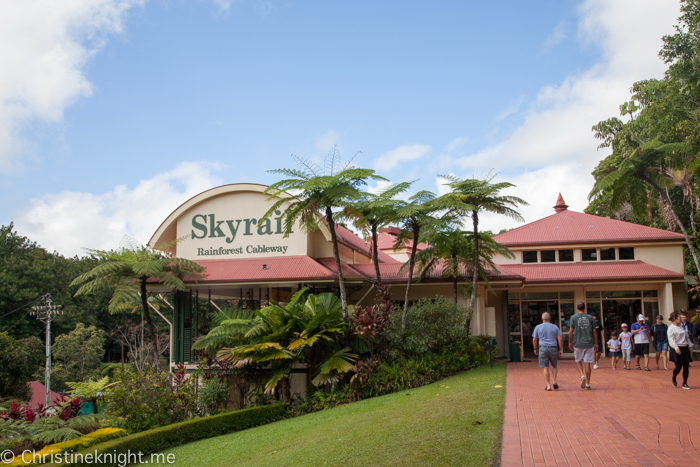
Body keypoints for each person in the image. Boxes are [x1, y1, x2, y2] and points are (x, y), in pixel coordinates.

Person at [568, 301, 598, 390]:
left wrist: (570, 342)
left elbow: (570, 331)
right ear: (585, 308)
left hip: (578, 343)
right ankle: (588, 383)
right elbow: (594, 331)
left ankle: (582, 375)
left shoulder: (573, 317)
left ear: (577, 308)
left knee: (578, 361)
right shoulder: (590, 318)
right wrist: (596, 343)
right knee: (587, 363)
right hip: (589, 342)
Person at [532, 312, 564, 391]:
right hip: (553, 347)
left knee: (545, 367)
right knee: (554, 365)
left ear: (542, 318)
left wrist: (535, 348)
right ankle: (554, 381)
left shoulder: (538, 327)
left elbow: (534, 339)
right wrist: (560, 349)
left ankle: (548, 385)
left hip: (543, 348)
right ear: (550, 318)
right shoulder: (555, 327)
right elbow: (559, 338)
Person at [668, 310, 692, 389]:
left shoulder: (682, 327)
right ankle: (674, 377)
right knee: (678, 367)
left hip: (684, 347)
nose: (681, 319)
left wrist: (690, 346)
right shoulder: (671, 328)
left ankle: (685, 383)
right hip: (676, 348)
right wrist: (675, 348)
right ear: (674, 318)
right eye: (679, 318)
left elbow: (687, 337)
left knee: (686, 366)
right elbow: (671, 340)